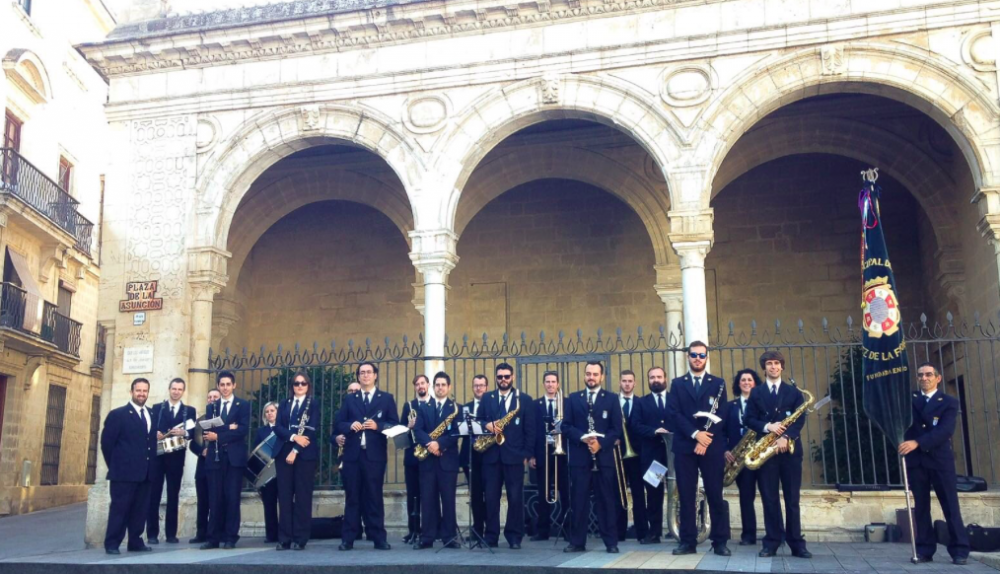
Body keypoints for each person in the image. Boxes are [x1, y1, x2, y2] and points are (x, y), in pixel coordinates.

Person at [898, 362, 970, 565]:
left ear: (938, 378)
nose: (924, 378)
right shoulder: (908, 400)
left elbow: (944, 431)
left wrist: (917, 442)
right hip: (917, 461)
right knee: (921, 507)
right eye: (920, 375)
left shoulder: (949, 402)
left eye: (929, 374)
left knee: (950, 504)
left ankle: (959, 550)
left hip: (939, 460)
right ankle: (924, 549)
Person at [666, 341, 731, 556]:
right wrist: (696, 435)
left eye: (701, 355)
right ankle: (688, 542)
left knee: (714, 494)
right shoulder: (677, 384)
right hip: (686, 447)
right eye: (694, 355)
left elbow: (722, 415)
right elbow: (674, 414)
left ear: (707, 357)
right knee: (686, 495)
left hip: (711, 448)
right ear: (688, 357)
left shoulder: (718, 383)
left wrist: (705, 440)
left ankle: (720, 542)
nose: (697, 359)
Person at [745, 350, 811, 558]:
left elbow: (799, 419)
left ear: (782, 367)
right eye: (769, 364)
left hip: (789, 451)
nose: (773, 367)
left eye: (776, 363)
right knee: (769, 498)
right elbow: (749, 419)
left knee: (792, 499)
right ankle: (772, 542)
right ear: (764, 368)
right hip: (766, 450)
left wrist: (787, 437)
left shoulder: (794, 392)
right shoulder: (756, 393)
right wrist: (768, 426)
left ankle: (796, 544)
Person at [335, 361, 399, 550]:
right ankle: (348, 539)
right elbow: (338, 424)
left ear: (375, 375)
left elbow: (394, 424)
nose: (365, 375)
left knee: (374, 496)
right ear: (358, 376)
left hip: (375, 456)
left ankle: (378, 537)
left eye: (369, 372)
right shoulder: (350, 399)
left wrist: (378, 426)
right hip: (353, 456)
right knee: (352, 497)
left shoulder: (386, 398)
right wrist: (349, 426)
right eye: (362, 373)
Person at [562, 361, 622, 554]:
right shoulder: (573, 398)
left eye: (595, 374)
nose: (591, 377)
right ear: (584, 375)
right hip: (580, 459)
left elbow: (616, 429)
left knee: (606, 501)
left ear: (602, 377)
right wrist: (583, 438)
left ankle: (611, 543)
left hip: (603, 458)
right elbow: (566, 426)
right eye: (588, 374)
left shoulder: (612, 399)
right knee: (578, 502)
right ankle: (577, 542)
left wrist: (600, 444)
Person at [480, 362, 535, 549]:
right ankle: (491, 536)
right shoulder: (487, 398)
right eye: (500, 377)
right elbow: (478, 420)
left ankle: (514, 536)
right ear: (496, 378)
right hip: (491, 456)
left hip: (514, 457)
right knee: (491, 498)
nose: (503, 380)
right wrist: (486, 425)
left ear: (512, 377)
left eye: (506, 376)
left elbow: (531, 430)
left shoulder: (525, 400)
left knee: (515, 498)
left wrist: (526, 454)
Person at [101, 377, 157, 555]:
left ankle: (135, 541)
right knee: (120, 509)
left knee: (140, 510)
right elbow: (106, 444)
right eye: (138, 390)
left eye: (145, 391)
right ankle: (112, 543)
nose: (142, 394)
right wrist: (117, 465)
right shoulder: (118, 415)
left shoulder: (152, 414)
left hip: (145, 473)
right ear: (132, 391)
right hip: (123, 474)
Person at [412, 371, 462, 549]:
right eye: (437, 385)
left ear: (449, 387)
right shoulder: (423, 407)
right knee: (428, 500)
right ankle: (427, 538)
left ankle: (449, 537)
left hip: (447, 461)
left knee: (448, 500)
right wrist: (430, 444)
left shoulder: (457, 409)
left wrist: (439, 444)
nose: (440, 388)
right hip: (427, 462)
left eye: (443, 385)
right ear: (433, 387)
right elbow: (417, 431)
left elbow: (455, 433)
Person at [201, 371, 250, 550]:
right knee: (214, 499)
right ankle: (212, 538)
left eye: (228, 384)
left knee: (232, 498)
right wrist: (229, 427)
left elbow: (242, 430)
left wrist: (219, 435)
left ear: (234, 385)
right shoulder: (211, 407)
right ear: (218, 386)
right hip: (215, 459)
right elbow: (207, 432)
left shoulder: (242, 405)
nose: (225, 388)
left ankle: (230, 537)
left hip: (234, 460)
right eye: (222, 385)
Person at [146, 377, 196, 545]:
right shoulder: (157, 408)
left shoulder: (189, 411)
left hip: (176, 456)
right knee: (154, 495)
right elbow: (150, 429)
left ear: (183, 391)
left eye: (179, 389)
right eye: (174, 388)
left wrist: (184, 434)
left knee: (174, 495)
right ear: (169, 389)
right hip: (158, 456)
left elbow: (193, 432)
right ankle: (152, 534)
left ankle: (171, 534)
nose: (176, 391)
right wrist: (156, 434)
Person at [275, 371, 320, 551]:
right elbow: (278, 427)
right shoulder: (285, 404)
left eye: (303, 383)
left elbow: (311, 429)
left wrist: (296, 449)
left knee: (302, 496)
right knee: (284, 497)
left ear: (308, 386)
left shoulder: (313, 404)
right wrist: (293, 437)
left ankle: (300, 538)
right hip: (283, 452)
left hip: (304, 453)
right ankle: (284, 537)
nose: (299, 386)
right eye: (296, 383)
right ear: (292, 386)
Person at [631, 366, 672, 544]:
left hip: (674, 456)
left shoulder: (674, 399)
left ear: (665, 378)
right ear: (648, 380)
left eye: (659, 377)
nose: (656, 380)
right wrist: (654, 431)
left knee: (679, 492)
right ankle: (654, 533)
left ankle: (679, 530)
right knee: (654, 495)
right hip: (654, 457)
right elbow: (636, 425)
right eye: (652, 377)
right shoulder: (642, 402)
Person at [529, 370, 568, 541]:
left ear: (558, 384)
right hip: (542, 453)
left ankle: (568, 529)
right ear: (543, 384)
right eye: (547, 381)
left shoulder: (566, 403)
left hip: (562, 453)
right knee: (543, 492)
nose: (550, 384)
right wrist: (531, 455)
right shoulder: (535, 405)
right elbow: (530, 431)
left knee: (565, 491)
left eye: (553, 381)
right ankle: (543, 530)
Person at [724, 369, 762, 546]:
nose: (746, 382)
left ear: (755, 383)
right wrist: (725, 450)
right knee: (746, 497)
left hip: (761, 455)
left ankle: (777, 534)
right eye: (743, 380)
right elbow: (722, 431)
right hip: (740, 458)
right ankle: (749, 535)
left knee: (770, 496)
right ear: (738, 384)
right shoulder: (730, 406)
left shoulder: (762, 404)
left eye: (750, 379)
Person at [616, 369, 648, 543]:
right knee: (619, 493)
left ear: (634, 383)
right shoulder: (613, 402)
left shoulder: (641, 402)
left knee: (638, 493)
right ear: (620, 383)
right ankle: (619, 532)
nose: (627, 384)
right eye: (624, 381)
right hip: (618, 454)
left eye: (630, 381)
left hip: (637, 455)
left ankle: (641, 532)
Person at [401, 374, 431, 544]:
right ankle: (413, 530)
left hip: (429, 456)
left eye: (422, 383)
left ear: (428, 385)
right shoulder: (409, 406)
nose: (420, 386)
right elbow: (400, 429)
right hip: (412, 457)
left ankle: (429, 529)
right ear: (415, 387)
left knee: (428, 494)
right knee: (412, 494)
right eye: (417, 384)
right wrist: (408, 427)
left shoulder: (433, 404)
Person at [189, 389, 221, 544]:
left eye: (215, 397)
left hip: (219, 466)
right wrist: (202, 451)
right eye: (209, 397)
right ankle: (201, 533)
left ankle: (215, 533)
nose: (212, 399)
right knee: (202, 502)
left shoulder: (224, 418)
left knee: (217, 501)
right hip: (202, 467)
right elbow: (192, 444)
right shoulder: (200, 420)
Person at [460, 374, 489, 542]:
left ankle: (489, 529)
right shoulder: (466, 408)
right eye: (476, 385)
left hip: (487, 455)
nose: (479, 388)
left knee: (489, 494)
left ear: (486, 387)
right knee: (475, 495)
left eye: (482, 385)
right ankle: (477, 529)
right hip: (470, 456)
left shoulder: (492, 406)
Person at [256, 402, 280, 544]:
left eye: (273, 410)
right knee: (269, 504)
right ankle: (271, 535)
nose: (270, 413)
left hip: (282, 471)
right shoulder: (261, 431)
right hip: (267, 473)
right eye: (267, 411)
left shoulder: (284, 428)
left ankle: (285, 532)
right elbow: (257, 451)